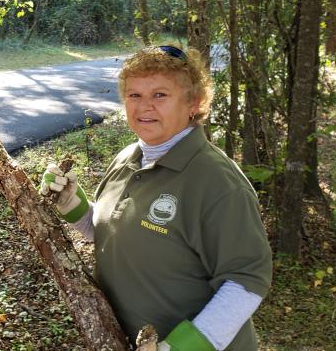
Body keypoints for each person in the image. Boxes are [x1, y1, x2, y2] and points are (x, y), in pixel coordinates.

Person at [41, 45, 272, 351]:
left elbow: (246, 281)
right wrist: (71, 203)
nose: (143, 106)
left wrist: (176, 348)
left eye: (160, 95)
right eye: (134, 95)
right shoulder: (128, 157)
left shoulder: (217, 181)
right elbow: (114, 236)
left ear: (194, 103)